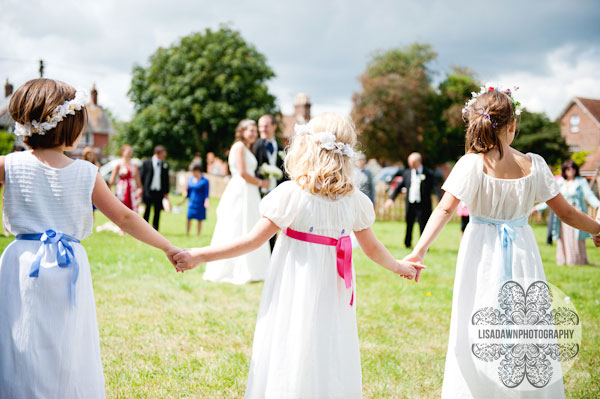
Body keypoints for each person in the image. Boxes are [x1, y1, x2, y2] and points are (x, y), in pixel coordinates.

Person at [174, 113, 425, 399]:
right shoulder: (354, 201)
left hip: (294, 284)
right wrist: (399, 266)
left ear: (305, 148)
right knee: (328, 342)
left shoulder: (291, 194)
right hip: (333, 290)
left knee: (290, 339)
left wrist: (199, 255)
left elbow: (252, 241)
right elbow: (373, 248)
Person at [402, 85, 600, 398]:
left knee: (478, 313)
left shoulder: (470, 163)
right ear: (512, 125)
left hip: (480, 249)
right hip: (522, 250)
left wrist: (418, 250)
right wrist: (597, 228)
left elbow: (444, 209)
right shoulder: (534, 164)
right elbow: (566, 213)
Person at [0, 78, 179, 398]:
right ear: (68, 127)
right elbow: (125, 216)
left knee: (20, 335)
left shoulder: (8, 165)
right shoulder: (86, 172)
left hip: (22, 263)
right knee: (68, 338)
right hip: (69, 266)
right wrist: (167, 246)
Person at [202, 119, 271, 284]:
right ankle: (233, 268)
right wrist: (262, 183)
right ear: (242, 131)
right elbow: (242, 173)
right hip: (242, 189)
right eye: (251, 130)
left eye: (255, 130)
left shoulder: (247, 147)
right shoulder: (239, 146)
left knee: (249, 225)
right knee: (238, 225)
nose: (254, 133)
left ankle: (253, 267)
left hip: (250, 191)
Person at [536, 159, 600, 265]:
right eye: (568, 168)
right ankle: (563, 260)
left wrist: (598, 206)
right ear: (564, 170)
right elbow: (551, 198)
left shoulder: (581, 181)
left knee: (576, 239)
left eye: (573, 168)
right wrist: (537, 208)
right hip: (563, 217)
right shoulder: (560, 182)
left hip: (577, 215)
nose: (571, 170)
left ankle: (577, 261)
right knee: (563, 238)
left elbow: (589, 196)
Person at [384, 152, 441, 247]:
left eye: (413, 162)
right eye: (410, 162)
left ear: (419, 162)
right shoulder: (407, 173)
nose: (411, 164)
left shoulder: (428, 173)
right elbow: (399, 187)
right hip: (410, 203)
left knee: (424, 225)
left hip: (423, 204)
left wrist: (440, 201)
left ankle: (423, 246)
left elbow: (436, 188)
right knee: (409, 223)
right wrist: (391, 199)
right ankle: (407, 243)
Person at [254, 114, 288, 250]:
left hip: (277, 192)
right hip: (259, 192)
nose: (263, 129)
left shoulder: (280, 149)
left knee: (275, 225)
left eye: (266, 126)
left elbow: (286, 172)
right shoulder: (256, 145)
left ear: (273, 127)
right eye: (260, 126)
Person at [140, 145, 170, 230]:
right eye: (163, 154)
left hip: (159, 191)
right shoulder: (147, 163)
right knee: (147, 210)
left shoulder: (165, 164)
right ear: (157, 153)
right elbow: (142, 177)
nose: (164, 156)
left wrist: (166, 193)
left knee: (157, 211)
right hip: (148, 191)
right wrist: (141, 189)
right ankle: (144, 229)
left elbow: (166, 180)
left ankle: (155, 229)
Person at [178, 162, 209, 236]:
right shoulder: (190, 179)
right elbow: (188, 192)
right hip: (191, 202)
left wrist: (206, 202)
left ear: (198, 170)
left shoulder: (204, 181)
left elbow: (206, 193)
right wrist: (183, 201)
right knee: (189, 218)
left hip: (200, 202)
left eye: (193, 171)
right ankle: (187, 233)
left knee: (199, 219)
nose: (192, 173)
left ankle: (198, 234)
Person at [109, 144, 142, 211]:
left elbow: (137, 178)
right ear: (123, 152)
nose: (130, 153)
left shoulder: (134, 165)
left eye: (131, 152)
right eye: (128, 152)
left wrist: (140, 188)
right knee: (121, 207)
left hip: (132, 188)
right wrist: (109, 190)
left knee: (133, 207)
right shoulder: (118, 165)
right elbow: (112, 180)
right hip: (122, 189)